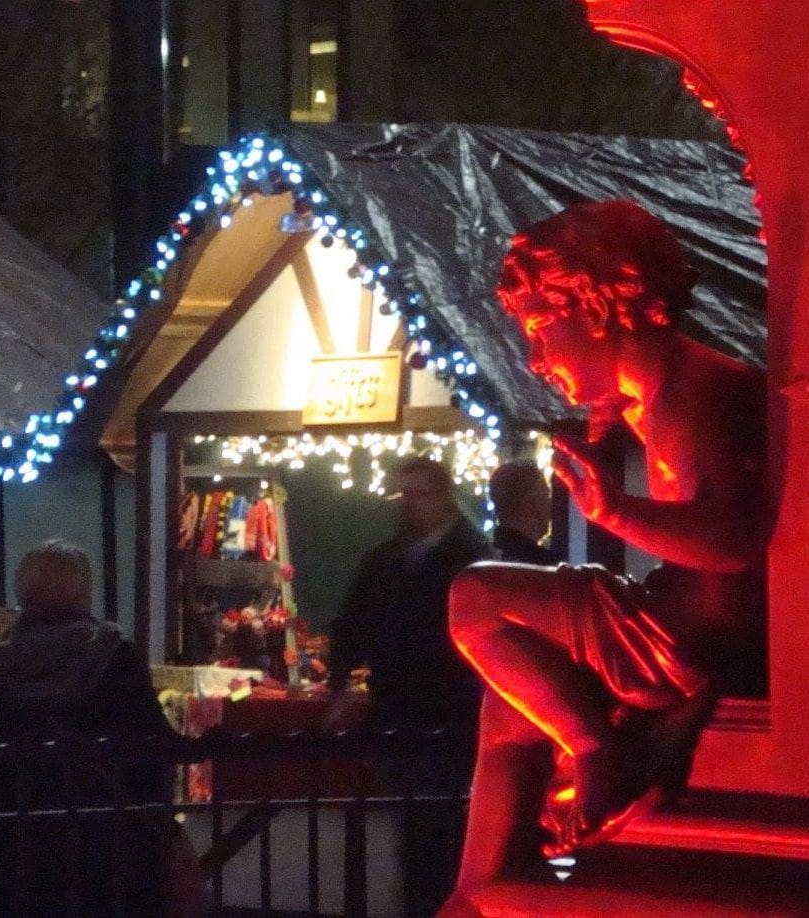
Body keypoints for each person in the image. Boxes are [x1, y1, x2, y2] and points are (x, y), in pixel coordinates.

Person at [448, 200, 768, 890]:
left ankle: (600, 749)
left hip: (689, 637)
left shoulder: (690, 392)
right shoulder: (660, 391)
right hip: (678, 625)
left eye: (540, 327)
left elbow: (735, 539)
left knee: (474, 600)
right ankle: (476, 892)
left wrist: (614, 510)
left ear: (595, 305)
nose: (535, 359)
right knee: (515, 702)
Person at [0, 539, 187, 912]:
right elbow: (148, 741)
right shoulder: (110, 652)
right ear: (82, 591)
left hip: (20, 828)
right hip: (104, 827)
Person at [328, 456, 493, 916]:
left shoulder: (468, 559)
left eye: (414, 495)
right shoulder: (399, 559)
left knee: (436, 839)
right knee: (420, 838)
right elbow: (351, 626)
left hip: (448, 719)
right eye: (402, 496)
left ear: (440, 496)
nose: (405, 506)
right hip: (410, 718)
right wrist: (340, 680)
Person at [488, 459, 553, 566]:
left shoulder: (482, 560)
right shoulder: (543, 569)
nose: (550, 505)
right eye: (545, 496)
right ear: (530, 505)